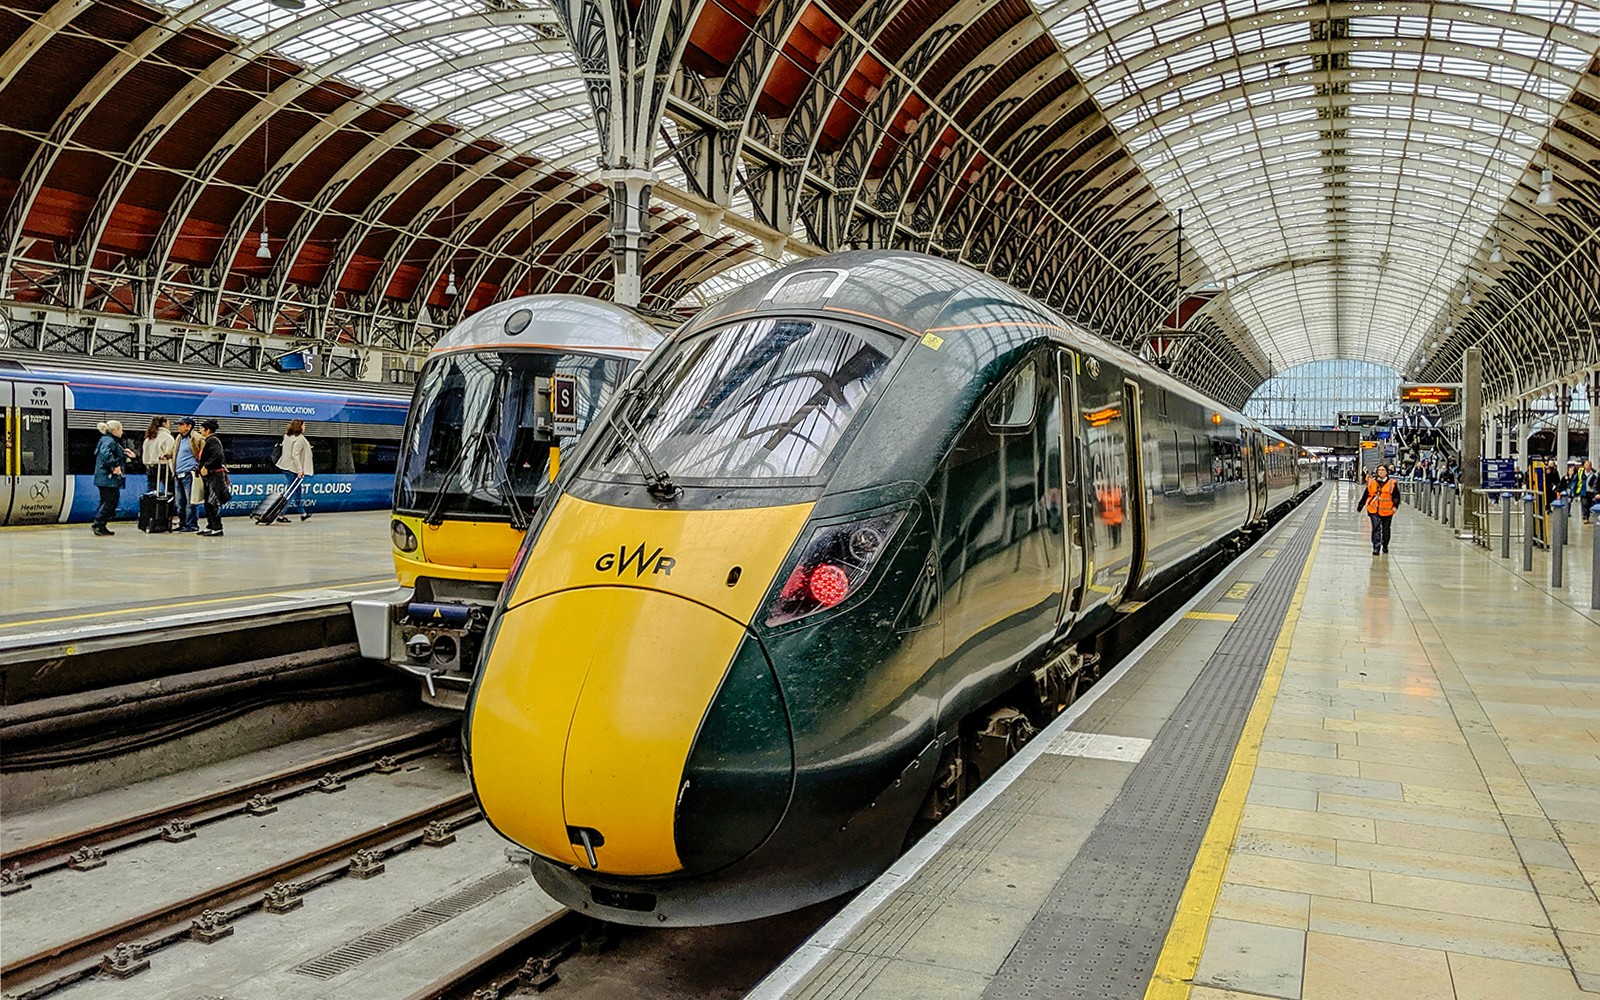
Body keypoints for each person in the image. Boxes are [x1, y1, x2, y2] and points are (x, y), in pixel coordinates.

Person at [91, 420, 134, 536]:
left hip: (104, 478)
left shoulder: (107, 440)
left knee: (106, 501)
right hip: (108, 478)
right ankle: (98, 524)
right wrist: (114, 466)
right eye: (121, 429)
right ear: (115, 430)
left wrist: (125, 455)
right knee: (111, 501)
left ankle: (101, 525)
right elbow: (106, 456)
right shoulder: (109, 441)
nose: (122, 432)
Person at [274, 418, 315, 522]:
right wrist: (300, 470)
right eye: (303, 425)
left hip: (285, 466)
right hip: (293, 469)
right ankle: (280, 515)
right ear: (299, 426)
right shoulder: (299, 438)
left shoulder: (287, 436)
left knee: (297, 491)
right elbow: (295, 455)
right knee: (291, 492)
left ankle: (303, 513)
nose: (305, 427)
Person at [1358, 463, 1400, 555]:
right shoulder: (1372, 482)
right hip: (1374, 509)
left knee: (1386, 529)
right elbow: (1366, 494)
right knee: (1375, 528)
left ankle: (1385, 545)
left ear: (1387, 472)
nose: (1380, 472)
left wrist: (1395, 506)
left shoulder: (1392, 483)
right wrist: (1361, 505)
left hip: (1387, 510)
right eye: (1378, 470)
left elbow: (1396, 496)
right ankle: (1376, 547)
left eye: (1382, 470)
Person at [196, 418, 227, 537]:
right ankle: (210, 525)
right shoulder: (209, 440)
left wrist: (206, 466)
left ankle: (217, 527)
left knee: (212, 502)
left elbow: (217, 456)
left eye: (202, 429)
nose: (200, 431)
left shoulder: (213, 441)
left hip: (214, 476)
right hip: (210, 477)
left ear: (207, 430)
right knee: (208, 502)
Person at [173, 416, 201, 532]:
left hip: (189, 475)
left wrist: (196, 468)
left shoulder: (196, 438)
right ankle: (182, 523)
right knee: (180, 502)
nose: (179, 427)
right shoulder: (179, 438)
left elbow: (203, 453)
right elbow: (174, 451)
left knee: (191, 501)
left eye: (181, 424)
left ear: (189, 426)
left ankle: (192, 524)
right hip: (178, 474)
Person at [141, 416, 175, 495]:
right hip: (164, 467)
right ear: (164, 423)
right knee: (170, 492)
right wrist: (173, 471)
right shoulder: (168, 438)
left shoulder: (148, 438)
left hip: (150, 467)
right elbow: (170, 455)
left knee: (152, 492)